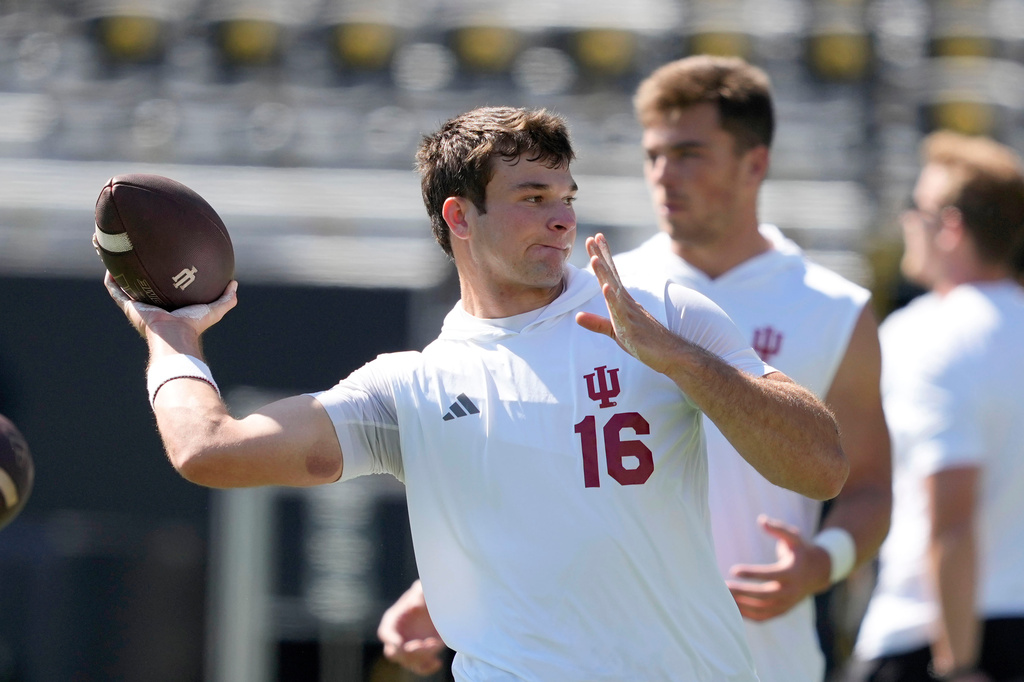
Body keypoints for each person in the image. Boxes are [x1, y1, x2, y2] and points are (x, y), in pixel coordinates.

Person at [106, 105, 848, 681]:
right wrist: (171, 339)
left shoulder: (662, 314)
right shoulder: (413, 386)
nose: (562, 216)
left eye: (566, 195)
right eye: (532, 196)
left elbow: (820, 465)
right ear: (459, 216)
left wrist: (685, 363)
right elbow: (210, 451)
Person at [377, 57, 892, 682]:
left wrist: (824, 562)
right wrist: (439, 587)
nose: (664, 176)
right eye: (653, 155)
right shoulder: (591, 290)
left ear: (754, 164)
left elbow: (864, 483)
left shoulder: (833, 306)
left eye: (690, 153)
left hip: (766, 650)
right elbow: (542, 467)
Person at [852, 131, 1024, 682]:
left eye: (915, 209)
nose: (907, 223)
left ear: (950, 226)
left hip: (938, 637)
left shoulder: (931, 333)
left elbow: (952, 514)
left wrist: (956, 666)